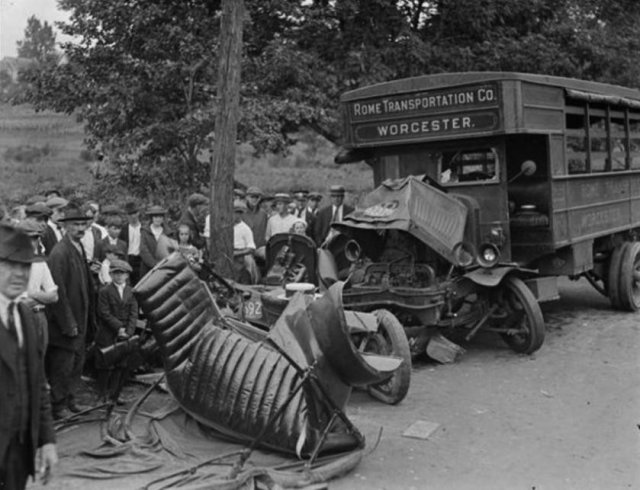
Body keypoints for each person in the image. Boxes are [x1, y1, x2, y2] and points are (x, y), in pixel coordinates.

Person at [0, 223, 58, 489]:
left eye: (25, 267)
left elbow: (39, 383)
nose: (18, 275)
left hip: (18, 451)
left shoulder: (25, 315)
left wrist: (46, 440)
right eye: (9, 265)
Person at [45, 201, 94, 419]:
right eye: (75, 225)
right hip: (66, 322)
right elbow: (58, 293)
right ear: (65, 226)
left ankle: (71, 399)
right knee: (62, 365)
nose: (80, 229)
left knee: (76, 363)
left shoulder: (79, 246)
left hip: (81, 317)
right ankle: (58, 405)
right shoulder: (59, 252)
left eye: (83, 224)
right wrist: (68, 323)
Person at [95, 259, 137, 403]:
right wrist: (119, 328)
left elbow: (134, 313)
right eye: (116, 273)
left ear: (127, 276)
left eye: (122, 274)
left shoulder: (131, 292)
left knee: (121, 365)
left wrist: (129, 332)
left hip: (125, 335)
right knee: (106, 365)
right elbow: (104, 313)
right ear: (111, 275)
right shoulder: (104, 291)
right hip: (108, 333)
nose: (119, 276)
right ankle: (102, 395)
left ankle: (115, 395)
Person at [16, 220, 59, 348]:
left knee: (38, 362)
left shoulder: (40, 262)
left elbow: (54, 296)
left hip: (38, 316)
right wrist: (40, 297)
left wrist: (31, 294)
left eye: (35, 238)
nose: (31, 243)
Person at [140, 205, 171, 276]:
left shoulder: (168, 232)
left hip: (164, 268)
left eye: (160, 217)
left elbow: (170, 250)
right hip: (147, 268)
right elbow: (143, 250)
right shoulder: (144, 231)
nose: (158, 219)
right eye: (156, 217)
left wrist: (163, 264)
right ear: (151, 218)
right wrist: (154, 264)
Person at [233, 200, 258, 284]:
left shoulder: (245, 228)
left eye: (240, 213)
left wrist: (236, 253)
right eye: (235, 212)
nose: (237, 215)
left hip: (241, 256)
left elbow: (251, 248)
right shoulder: (226, 226)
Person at [119, 201, 142, 285]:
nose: (133, 216)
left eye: (135, 213)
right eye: (130, 214)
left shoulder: (144, 228)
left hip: (141, 260)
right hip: (128, 259)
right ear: (127, 215)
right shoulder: (123, 229)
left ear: (138, 213)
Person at [243, 186, 268, 254]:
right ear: (247, 197)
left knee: (269, 256)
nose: (254, 199)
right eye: (252, 197)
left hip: (259, 248)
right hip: (244, 248)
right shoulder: (241, 212)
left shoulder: (263, 214)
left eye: (257, 197)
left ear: (260, 198)